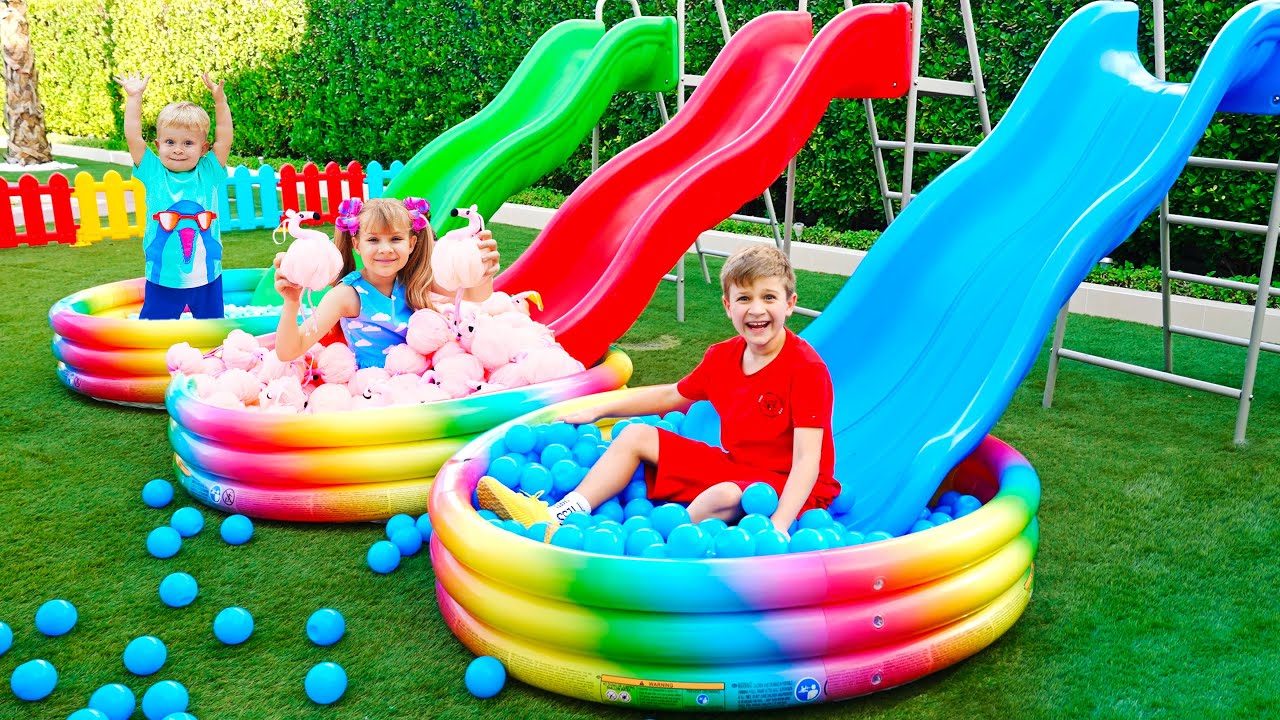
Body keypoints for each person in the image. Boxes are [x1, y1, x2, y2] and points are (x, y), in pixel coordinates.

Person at [479, 244, 837, 538]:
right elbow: (671, 396)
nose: (756, 309)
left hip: (792, 487)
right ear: (728, 306)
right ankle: (558, 514)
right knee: (636, 435)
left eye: (769, 297)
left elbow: (806, 461)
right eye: (744, 298)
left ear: (789, 304)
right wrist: (600, 409)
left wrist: (779, 526)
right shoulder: (723, 358)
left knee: (726, 494)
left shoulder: (805, 369)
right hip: (736, 467)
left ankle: (662, 541)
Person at [272, 197, 500, 367]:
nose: (385, 249)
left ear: (411, 244)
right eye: (373, 239)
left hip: (423, 377)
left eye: (396, 239)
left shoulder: (415, 280)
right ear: (357, 244)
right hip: (375, 387)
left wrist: (483, 271)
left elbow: (476, 294)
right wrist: (291, 303)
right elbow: (289, 351)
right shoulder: (347, 295)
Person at [116, 71, 233, 319]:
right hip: (163, 278)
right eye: (170, 142)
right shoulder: (153, 171)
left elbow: (224, 140)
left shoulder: (208, 172)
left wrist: (220, 102)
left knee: (213, 333)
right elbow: (133, 136)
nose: (178, 150)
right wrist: (134, 97)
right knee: (153, 332)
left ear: (203, 148)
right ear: (158, 145)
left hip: (208, 277)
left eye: (188, 143)